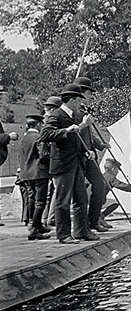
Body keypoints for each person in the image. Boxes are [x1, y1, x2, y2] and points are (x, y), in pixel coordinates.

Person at [40, 84, 98, 244]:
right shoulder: (57, 115)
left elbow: (75, 140)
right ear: (72, 100)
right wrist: (66, 131)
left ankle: (81, 231)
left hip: (77, 163)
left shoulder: (74, 117)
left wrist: (86, 152)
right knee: (62, 201)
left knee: (81, 199)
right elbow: (45, 134)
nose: (81, 103)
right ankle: (64, 235)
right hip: (63, 165)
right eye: (79, 100)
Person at [73, 77, 111, 233]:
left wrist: (100, 144)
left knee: (100, 185)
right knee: (80, 192)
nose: (91, 97)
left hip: (91, 155)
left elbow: (89, 134)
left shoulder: (83, 111)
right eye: (89, 94)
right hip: (81, 156)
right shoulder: (75, 112)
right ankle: (85, 225)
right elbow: (76, 133)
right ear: (81, 93)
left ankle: (93, 220)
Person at [18, 114, 52, 240]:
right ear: (38, 125)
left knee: (31, 198)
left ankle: (35, 224)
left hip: (26, 174)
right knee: (41, 201)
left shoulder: (23, 138)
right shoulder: (39, 137)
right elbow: (44, 155)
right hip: (39, 172)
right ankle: (34, 230)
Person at [99, 158, 131, 227]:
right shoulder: (111, 178)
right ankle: (101, 218)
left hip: (92, 200)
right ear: (113, 169)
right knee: (116, 203)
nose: (118, 172)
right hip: (99, 202)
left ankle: (99, 218)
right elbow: (124, 186)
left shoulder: (101, 176)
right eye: (117, 170)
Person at [40, 96, 63, 227]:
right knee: (55, 190)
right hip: (49, 160)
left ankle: (46, 217)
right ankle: (52, 217)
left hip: (45, 162)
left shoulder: (43, 121)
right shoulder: (50, 121)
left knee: (50, 191)